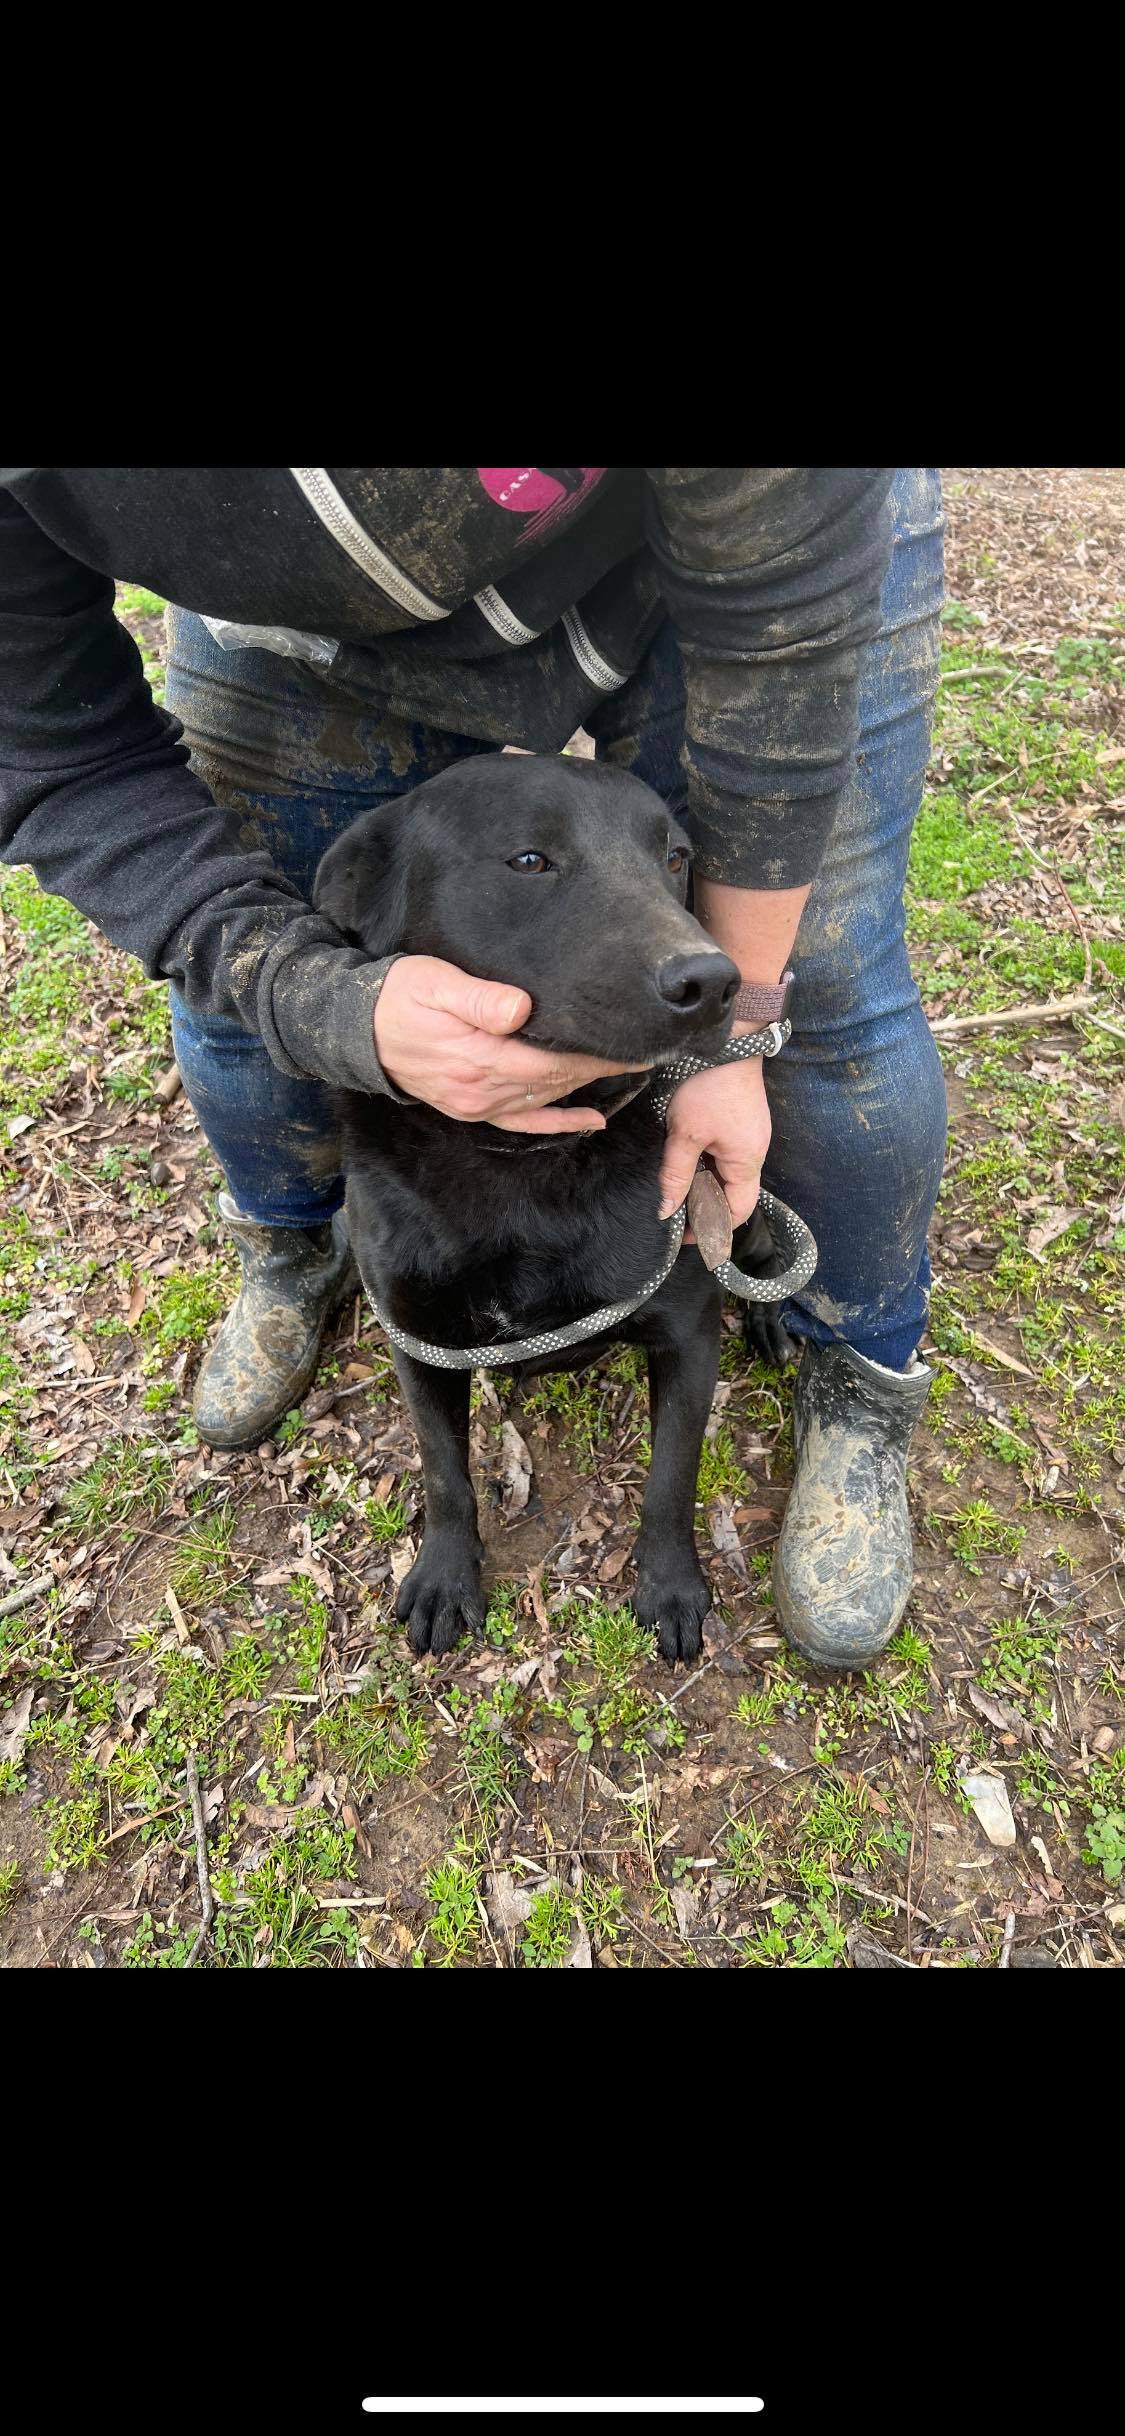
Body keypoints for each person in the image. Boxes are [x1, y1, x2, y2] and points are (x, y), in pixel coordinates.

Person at [0, 467, 947, 1669]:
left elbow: (784, 678)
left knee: (831, 990)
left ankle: (859, 1375)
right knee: (249, 994)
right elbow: (55, 750)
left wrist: (736, 1028)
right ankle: (300, 1255)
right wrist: (315, 998)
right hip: (290, 620)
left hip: (763, 560)